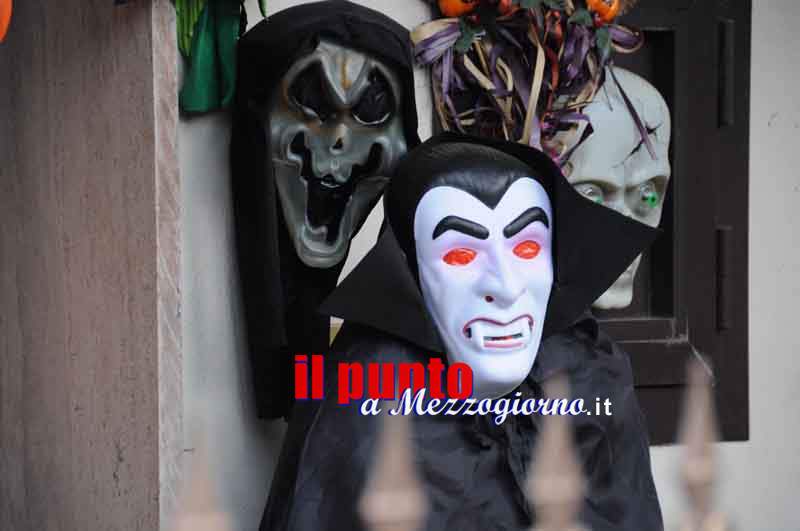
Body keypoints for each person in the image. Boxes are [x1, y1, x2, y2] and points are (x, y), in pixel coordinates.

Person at [260, 133, 663, 531]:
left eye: (526, 248)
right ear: (408, 273)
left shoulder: (589, 371)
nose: (507, 287)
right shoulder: (365, 401)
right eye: (461, 253)